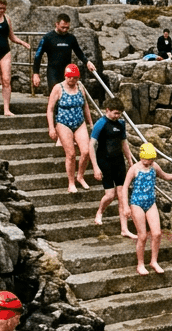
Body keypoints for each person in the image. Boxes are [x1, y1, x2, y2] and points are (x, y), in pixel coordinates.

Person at [124, 142, 172, 274]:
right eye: (148, 160)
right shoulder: (134, 169)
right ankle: (140, 264)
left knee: (157, 233)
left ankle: (154, 261)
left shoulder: (154, 166)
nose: (149, 162)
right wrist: (126, 207)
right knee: (142, 236)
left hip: (150, 202)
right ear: (142, 157)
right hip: (137, 203)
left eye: (151, 160)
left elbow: (166, 176)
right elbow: (125, 187)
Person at [90, 102, 137, 238]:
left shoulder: (121, 124)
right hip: (104, 161)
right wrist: (95, 167)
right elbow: (91, 145)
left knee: (122, 196)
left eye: (119, 113)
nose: (117, 116)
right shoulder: (101, 123)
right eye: (115, 113)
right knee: (110, 195)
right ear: (108, 110)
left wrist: (129, 159)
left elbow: (124, 142)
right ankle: (100, 211)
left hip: (118, 161)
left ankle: (124, 229)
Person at [46, 64, 94, 193]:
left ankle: (80, 176)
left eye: (75, 78)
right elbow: (50, 109)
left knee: (86, 151)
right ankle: (71, 182)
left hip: (79, 122)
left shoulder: (80, 87)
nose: (72, 80)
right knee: (71, 154)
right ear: (65, 76)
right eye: (70, 78)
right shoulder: (58, 88)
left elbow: (86, 106)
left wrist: (90, 123)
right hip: (63, 122)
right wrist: (51, 128)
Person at [32, 14, 96, 93]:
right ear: (57, 24)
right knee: (55, 94)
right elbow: (38, 56)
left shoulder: (71, 38)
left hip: (67, 72)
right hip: (53, 72)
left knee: (67, 94)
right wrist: (36, 73)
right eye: (63, 27)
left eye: (67, 27)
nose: (65, 30)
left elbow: (79, 52)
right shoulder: (47, 38)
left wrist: (87, 62)